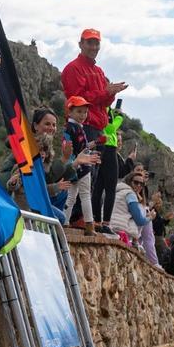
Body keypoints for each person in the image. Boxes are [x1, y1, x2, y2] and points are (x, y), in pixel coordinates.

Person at [61, 28, 128, 235]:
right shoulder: (73, 68)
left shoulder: (98, 72)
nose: (94, 47)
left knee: (95, 174)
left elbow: (102, 102)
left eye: (96, 43)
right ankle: (74, 217)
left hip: (98, 128)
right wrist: (104, 92)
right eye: (90, 43)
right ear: (81, 44)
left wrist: (110, 94)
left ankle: (85, 216)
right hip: (83, 126)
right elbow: (77, 100)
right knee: (83, 172)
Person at [61, 96, 98, 235]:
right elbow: (68, 147)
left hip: (75, 166)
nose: (83, 115)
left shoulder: (73, 127)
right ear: (70, 112)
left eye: (85, 112)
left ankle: (64, 223)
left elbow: (79, 147)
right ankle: (89, 226)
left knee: (71, 196)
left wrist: (90, 147)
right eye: (79, 111)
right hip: (81, 166)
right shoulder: (72, 128)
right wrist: (74, 162)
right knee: (85, 196)